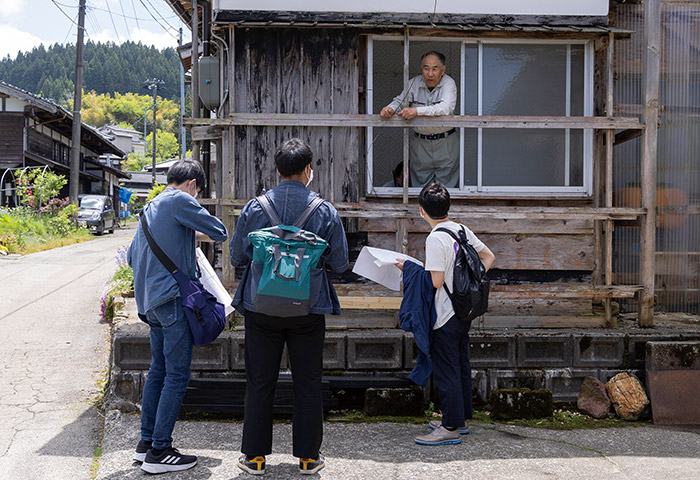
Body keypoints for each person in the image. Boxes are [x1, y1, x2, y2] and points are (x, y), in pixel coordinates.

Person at [229, 138, 349, 475]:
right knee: (308, 381)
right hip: (307, 308)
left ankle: (254, 457)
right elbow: (339, 263)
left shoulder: (255, 208)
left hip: (261, 307)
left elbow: (238, 256)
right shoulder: (324, 211)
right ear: (308, 170)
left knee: (260, 381)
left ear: (277, 170)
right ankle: (309, 457)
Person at [127, 160, 228, 474]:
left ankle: (146, 445)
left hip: (151, 304)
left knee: (158, 371)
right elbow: (220, 232)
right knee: (177, 375)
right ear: (194, 185)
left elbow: (131, 257)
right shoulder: (182, 200)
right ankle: (160, 451)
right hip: (172, 302)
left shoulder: (150, 208)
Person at [398, 183, 495, 445]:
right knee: (460, 362)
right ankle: (459, 418)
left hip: (445, 315)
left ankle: (450, 427)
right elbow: (488, 257)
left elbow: (436, 281)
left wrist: (408, 268)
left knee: (446, 368)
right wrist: (470, 283)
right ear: (447, 207)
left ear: (421, 211)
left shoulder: (435, 238)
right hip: (465, 311)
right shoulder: (461, 229)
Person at [380, 51, 459, 188]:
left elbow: (445, 108)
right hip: (420, 143)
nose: (430, 73)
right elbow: (400, 100)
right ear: (421, 69)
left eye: (435, 68)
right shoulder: (414, 83)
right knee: (421, 188)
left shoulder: (448, 83)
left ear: (443, 70)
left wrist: (416, 111)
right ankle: (423, 210)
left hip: (445, 142)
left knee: (446, 189)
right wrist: (390, 108)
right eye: (426, 68)